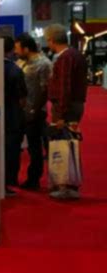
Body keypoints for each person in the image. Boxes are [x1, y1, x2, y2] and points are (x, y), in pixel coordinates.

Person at [46, 24, 88, 200]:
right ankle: (70, 184)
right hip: (75, 105)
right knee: (71, 144)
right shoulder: (76, 55)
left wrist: (61, 114)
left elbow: (64, 87)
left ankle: (65, 185)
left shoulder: (65, 58)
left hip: (66, 108)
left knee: (63, 145)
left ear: (52, 40)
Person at [15, 33, 52, 189]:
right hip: (20, 111)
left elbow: (45, 90)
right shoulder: (20, 62)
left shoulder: (44, 64)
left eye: (18, 49)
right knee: (21, 146)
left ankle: (34, 179)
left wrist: (34, 110)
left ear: (26, 48)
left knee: (34, 147)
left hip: (35, 111)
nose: (16, 52)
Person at [1, 36, 27, 195]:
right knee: (12, 150)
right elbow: (23, 97)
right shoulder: (15, 70)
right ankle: (9, 181)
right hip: (13, 116)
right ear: (11, 50)